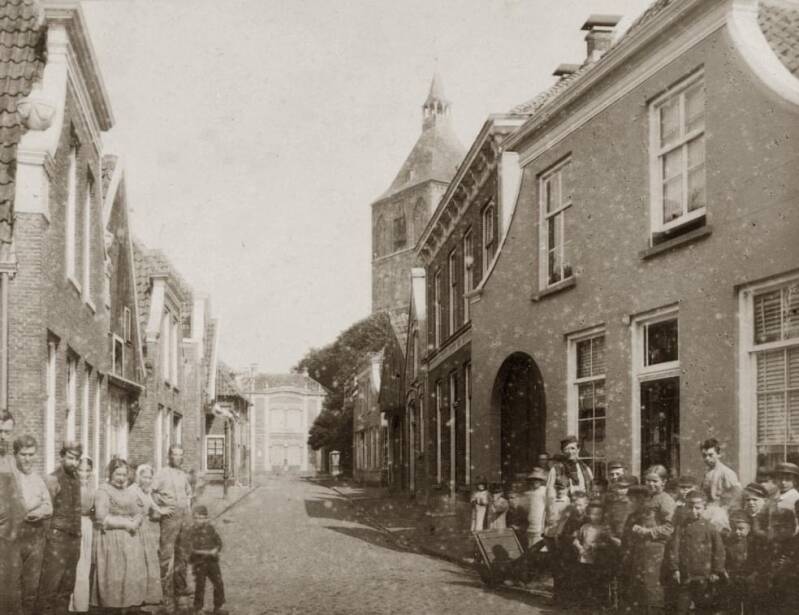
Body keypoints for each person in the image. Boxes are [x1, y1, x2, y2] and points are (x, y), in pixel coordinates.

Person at [90, 457, 146, 611]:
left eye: (124, 475)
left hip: (130, 541)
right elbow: (101, 518)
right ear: (110, 474)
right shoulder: (103, 491)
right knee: (114, 576)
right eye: (118, 474)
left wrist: (137, 520)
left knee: (129, 577)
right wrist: (127, 523)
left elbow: (139, 511)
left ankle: (127, 608)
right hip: (112, 540)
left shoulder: (129, 492)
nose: (121, 478)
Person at [36, 440, 82, 615]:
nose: (74, 462)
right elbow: (46, 511)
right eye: (70, 458)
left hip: (74, 539)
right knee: (50, 585)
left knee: (67, 586)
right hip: (57, 539)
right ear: (62, 457)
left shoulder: (76, 479)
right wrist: (49, 539)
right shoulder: (53, 479)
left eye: (77, 459)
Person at [623, 465, 675, 614]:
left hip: (656, 549)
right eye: (648, 480)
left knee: (651, 584)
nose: (651, 484)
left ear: (664, 482)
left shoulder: (666, 500)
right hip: (642, 548)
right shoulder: (648, 498)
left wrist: (648, 532)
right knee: (640, 585)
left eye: (655, 481)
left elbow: (670, 527)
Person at [668, 490, 725, 614]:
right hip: (685, 576)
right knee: (681, 608)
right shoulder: (681, 527)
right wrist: (675, 568)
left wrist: (716, 571)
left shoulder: (710, 528)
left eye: (698, 508)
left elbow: (719, 550)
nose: (694, 511)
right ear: (685, 507)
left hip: (704, 576)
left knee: (703, 608)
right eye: (690, 507)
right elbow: (674, 548)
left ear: (704, 508)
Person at [152, 445, 193, 611]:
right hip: (169, 518)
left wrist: (188, 506)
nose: (178, 458)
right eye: (175, 455)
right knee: (166, 555)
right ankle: (165, 592)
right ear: (169, 456)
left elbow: (188, 492)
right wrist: (161, 508)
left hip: (184, 517)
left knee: (183, 554)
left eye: (180, 455)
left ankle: (180, 588)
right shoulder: (162, 473)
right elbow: (151, 492)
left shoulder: (183, 475)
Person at [14, 435, 52, 615]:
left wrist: (39, 512)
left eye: (31, 454)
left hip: (35, 538)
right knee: (12, 586)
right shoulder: (10, 479)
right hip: (13, 538)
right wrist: (32, 505)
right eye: (23, 455)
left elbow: (49, 507)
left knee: (31, 586)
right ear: (15, 455)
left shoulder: (38, 479)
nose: (27, 459)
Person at [0, 410, 27, 615]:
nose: (2, 436)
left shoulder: (10, 461)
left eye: (7, 432)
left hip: (12, 538)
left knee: (10, 588)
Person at [131, 463, 164, 609]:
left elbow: (155, 508)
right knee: (137, 560)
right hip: (135, 528)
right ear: (139, 477)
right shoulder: (133, 491)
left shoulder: (147, 492)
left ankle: (149, 595)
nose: (147, 480)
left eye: (150, 478)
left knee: (149, 559)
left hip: (146, 528)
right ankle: (137, 595)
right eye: (144, 477)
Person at [188, 504, 228, 615]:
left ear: (206, 518)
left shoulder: (210, 529)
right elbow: (191, 550)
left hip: (212, 562)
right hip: (199, 563)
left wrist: (216, 549)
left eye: (202, 518)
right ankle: (198, 608)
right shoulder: (191, 531)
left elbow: (219, 542)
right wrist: (207, 552)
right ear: (193, 518)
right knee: (200, 585)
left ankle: (218, 607)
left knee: (218, 583)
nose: (199, 521)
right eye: (196, 518)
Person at [68, 456, 95, 613]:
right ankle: (71, 604)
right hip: (74, 525)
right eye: (81, 470)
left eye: (87, 470)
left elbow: (93, 509)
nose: (84, 474)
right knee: (75, 564)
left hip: (87, 525)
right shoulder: (72, 486)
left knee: (84, 565)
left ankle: (81, 604)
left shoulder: (92, 487)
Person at [573, 499, 610, 607]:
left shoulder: (604, 528)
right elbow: (576, 540)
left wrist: (596, 545)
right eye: (593, 514)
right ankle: (584, 602)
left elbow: (607, 543)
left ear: (602, 515)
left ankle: (597, 603)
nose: (595, 517)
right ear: (588, 514)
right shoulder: (585, 527)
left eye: (598, 514)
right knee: (584, 580)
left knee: (596, 580)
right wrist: (579, 547)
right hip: (584, 558)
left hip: (597, 559)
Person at [700, 438, 741, 531]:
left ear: (719, 454)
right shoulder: (707, 473)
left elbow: (736, 496)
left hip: (721, 513)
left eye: (710, 455)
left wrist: (724, 510)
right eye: (704, 455)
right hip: (708, 510)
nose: (707, 458)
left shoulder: (727, 473)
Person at [723, 510, 755, 615]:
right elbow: (723, 560)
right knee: (733, 607)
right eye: (734, 529)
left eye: (741, 529)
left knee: (750, 607)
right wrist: (726, 573)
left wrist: (754, 575)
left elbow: (760, 561)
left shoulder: (754, 542)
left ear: (749, 528)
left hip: (750, 580)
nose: (737, 532)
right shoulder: (728, 542)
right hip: (733, 579)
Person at [546, 435, 593, 500]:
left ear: (578, 449)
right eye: (566, 449)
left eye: (572, 448)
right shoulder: (555, 470)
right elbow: (550, 494)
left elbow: (591, 490)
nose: (570, 452)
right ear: (562, 452)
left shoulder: (586, 469)